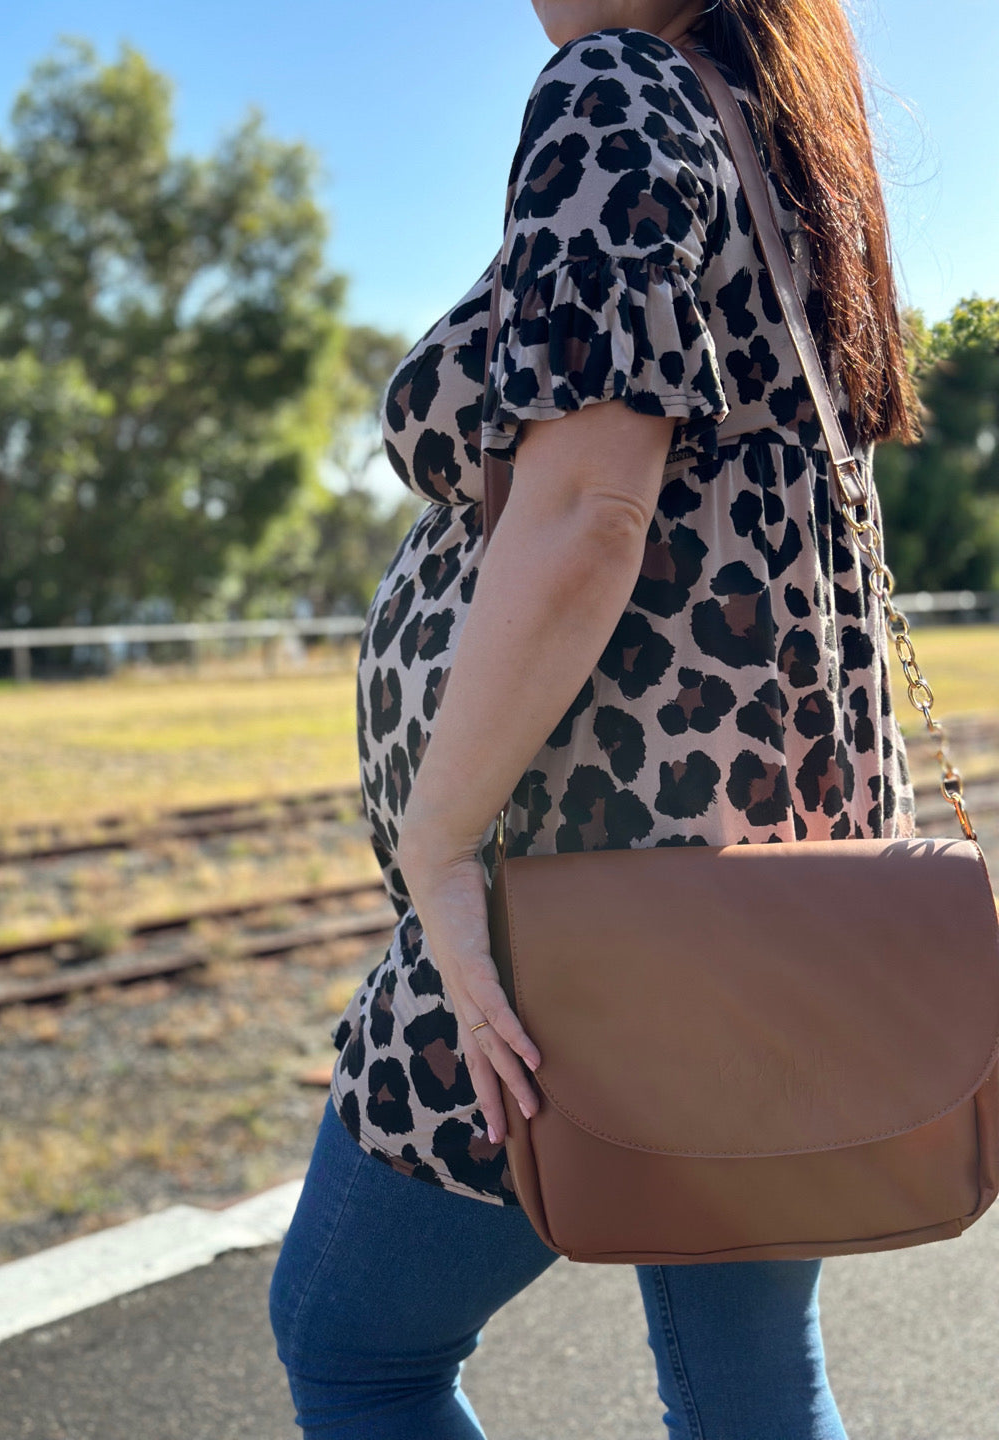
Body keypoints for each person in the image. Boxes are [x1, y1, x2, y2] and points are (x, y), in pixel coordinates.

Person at [269, 0, 920, 1434]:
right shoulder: (780, 132)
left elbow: (584, 514)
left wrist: (440, 844)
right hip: (778, 899)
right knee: (749, 1378)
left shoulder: (613, 90)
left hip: (584, 909)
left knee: (351, 1339)